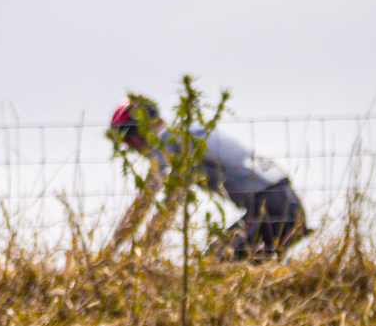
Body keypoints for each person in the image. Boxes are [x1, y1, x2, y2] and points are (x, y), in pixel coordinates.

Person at [106, 96, 308, 259]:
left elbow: (156, 204)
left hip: (270, 207)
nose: (130, 149)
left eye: (128, 140)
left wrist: (132, 253)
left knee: (214, 265)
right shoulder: (187, 134)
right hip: (284, 202)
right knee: (225, 260)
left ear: (140, 131)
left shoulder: (169, 143)